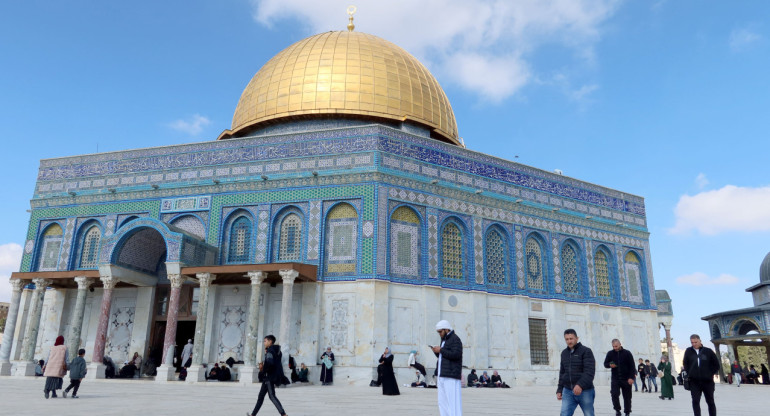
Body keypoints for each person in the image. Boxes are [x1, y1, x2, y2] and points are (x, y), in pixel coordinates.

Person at [556, 329, 595, 416]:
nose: (569, 341)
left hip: (585, 391)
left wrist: (580, 385)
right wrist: (559, 389)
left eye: (571, 338)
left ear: (577, 338)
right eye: (567, 339)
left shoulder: (586, 351)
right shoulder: (564, 353)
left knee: (589, 414)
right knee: (564, 414)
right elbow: (562, 372)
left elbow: (590, 371)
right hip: (568, 391)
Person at [247, 335, 287, 416]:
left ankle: (283, 414)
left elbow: (270, 363)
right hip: (270, 377)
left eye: (265, 341)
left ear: (270, 341)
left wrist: (263, 368)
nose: (264, 343)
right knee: (261, 397)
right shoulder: (277, 351)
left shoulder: (270, 351)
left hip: (268, 377)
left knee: (271, 396)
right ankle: (253, 414)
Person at [682, 334, 719, 416]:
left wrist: (709, 373)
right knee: (695, 401)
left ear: (700, 341)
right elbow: (685, 363)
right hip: (694, 382)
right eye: (692, 342)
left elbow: (716, 365)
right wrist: (690, 374)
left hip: (707, 381)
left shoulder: (708, 351)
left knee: (710, 401)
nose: (694, 344)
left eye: (695, 342)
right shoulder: (688, 351)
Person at [432, 320, 462, 416]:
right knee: (442, 402)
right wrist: (437, 352)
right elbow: (444, 357)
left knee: (453, 403)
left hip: (451, 376)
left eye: (440, 332)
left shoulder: (455, 339)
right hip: (442, 375)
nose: (439, 334)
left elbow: (456, 355)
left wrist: (441, 350)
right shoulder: (444, 340)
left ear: (447, 329)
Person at [603, 339, 635, 416]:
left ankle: (627, 412)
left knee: (627, 397)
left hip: (626, 379)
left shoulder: (627, 353)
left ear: (620, 344)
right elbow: (605, 364)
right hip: (615, 379)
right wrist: (610, 365)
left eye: (616, 346)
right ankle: (617, 410)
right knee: (614, 394)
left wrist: (631, 377)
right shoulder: (610, 353)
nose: (615, 348)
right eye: (613, 346)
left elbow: (632, 366)